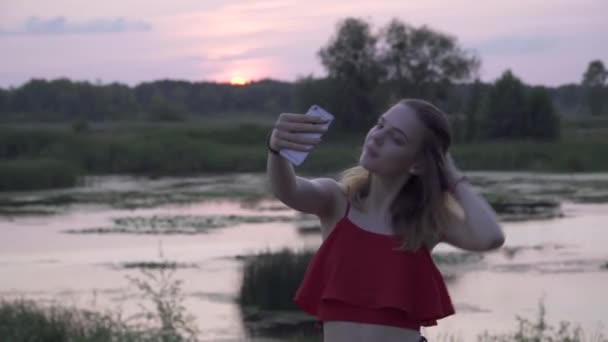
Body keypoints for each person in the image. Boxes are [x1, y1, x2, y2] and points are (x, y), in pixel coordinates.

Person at [266, 98, 505, 342]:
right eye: (380, 125)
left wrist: (452, 176)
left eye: (396, 138)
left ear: (417, 163)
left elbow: (491, 237)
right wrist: (277, 151)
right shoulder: (337, 201)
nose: (377, 137)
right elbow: (288, 190)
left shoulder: (426, 222)